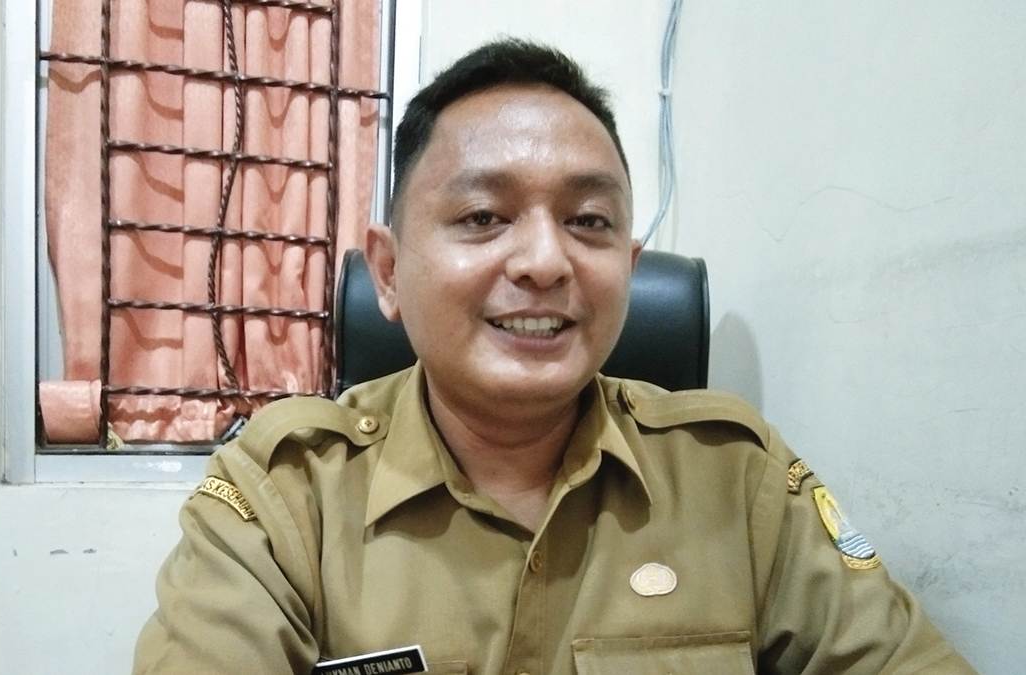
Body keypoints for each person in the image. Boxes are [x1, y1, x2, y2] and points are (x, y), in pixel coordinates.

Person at [133, 40, 974, 674]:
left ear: (630, 271)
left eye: (588, 222)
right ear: (387, 272)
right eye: (483, 217)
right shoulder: (283, 495)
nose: (545, 261)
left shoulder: (735, 479)